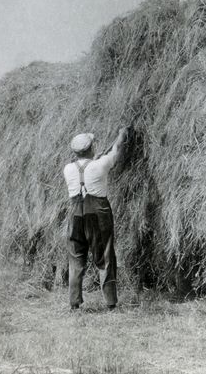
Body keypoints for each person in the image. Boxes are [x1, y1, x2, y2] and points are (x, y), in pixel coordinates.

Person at [62, 128, 129, 310]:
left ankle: (74, 304)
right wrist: (121, 133)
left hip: (75, 216)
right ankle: (110, 303)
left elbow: (84, 168)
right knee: (105, 257)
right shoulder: (101, 165)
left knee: (76, 259)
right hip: (97, 216)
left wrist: (94, 157)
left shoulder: (68, 169)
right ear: (91, 148)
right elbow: (116, 150)